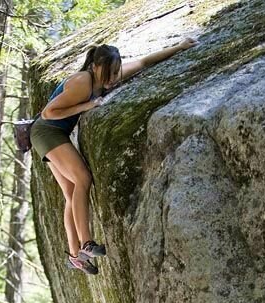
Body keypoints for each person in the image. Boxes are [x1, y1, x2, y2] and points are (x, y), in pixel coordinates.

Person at [30, 39, 197, 274]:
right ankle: (87, 243)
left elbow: (143, 61)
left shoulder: (110, 74)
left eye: (117, 71)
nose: (114, 78)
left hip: (52, 133)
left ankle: (75, 256)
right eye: (110, 72)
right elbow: (48, 112)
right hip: (47, 131)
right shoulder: (82, 82)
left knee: (71, 194)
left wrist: (180, 47)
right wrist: (85, 107)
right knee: (83, 180)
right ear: (97, 66)